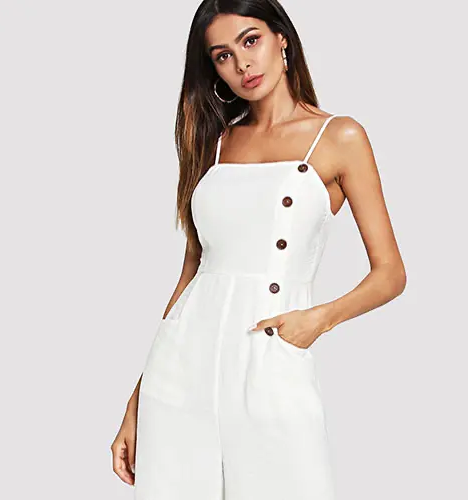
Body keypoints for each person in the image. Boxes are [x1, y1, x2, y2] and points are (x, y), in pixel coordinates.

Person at [111, 1, 407, 498]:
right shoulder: (214, 143)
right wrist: (136, 401)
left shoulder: (339, 137)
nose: (242, 63)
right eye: (222, 55)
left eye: (251, 40)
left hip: (270, 355)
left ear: (281, 39)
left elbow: (391, 273)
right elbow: (190, 276)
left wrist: (317, 320)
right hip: (181, 367)